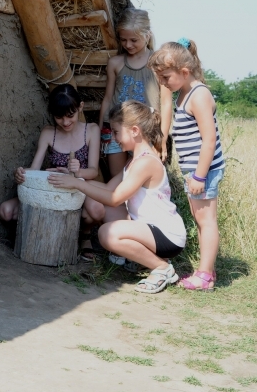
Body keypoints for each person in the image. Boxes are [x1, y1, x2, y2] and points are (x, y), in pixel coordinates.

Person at [49, 100, 186, 294]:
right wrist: (73, 178)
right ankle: (145, 259)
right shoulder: (134, 161)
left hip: (167, 235)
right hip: (151, 230)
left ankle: (162, 268)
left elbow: (114, 198)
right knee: (102, 206)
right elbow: (106, 189)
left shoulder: (146, 162)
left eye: (116, 132)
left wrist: (78, 184)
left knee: (107, 234)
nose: (113, 138)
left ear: (135, 131)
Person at [148, 38, 225, 292]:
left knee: (207, 221)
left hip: (203, 171)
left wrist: (200, 176)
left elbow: (209, 139)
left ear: (184, 72)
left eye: (165, 77)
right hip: (194, 170)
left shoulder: (199, 94)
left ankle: (204, 276)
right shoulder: (182, 93)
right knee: (201, 219)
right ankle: (206, 272)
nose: (163, 83)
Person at [0, 84, 104, 226]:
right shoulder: (48, 133)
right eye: (59, 117)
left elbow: (93, 171)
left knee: (96, 211)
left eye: (70, 116)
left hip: (79, 188)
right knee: (6, 211)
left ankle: (83, 235)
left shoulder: (91, 130)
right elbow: (35, 168)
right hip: (52, 187)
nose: (65, 122)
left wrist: (77, 172)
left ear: (80, 107)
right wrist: (20, 173)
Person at [99, 8, 173, 178]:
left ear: (147, 35)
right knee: (117, 180)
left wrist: (162, 138)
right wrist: (102, 131)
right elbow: (108, 99)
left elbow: (166, 103)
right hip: (116, 131)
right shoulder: (115, 63)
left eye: (134, 40)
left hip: (146, 133)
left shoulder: (159, 64)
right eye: (123, 40)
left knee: (141, 183)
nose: (128, 45)